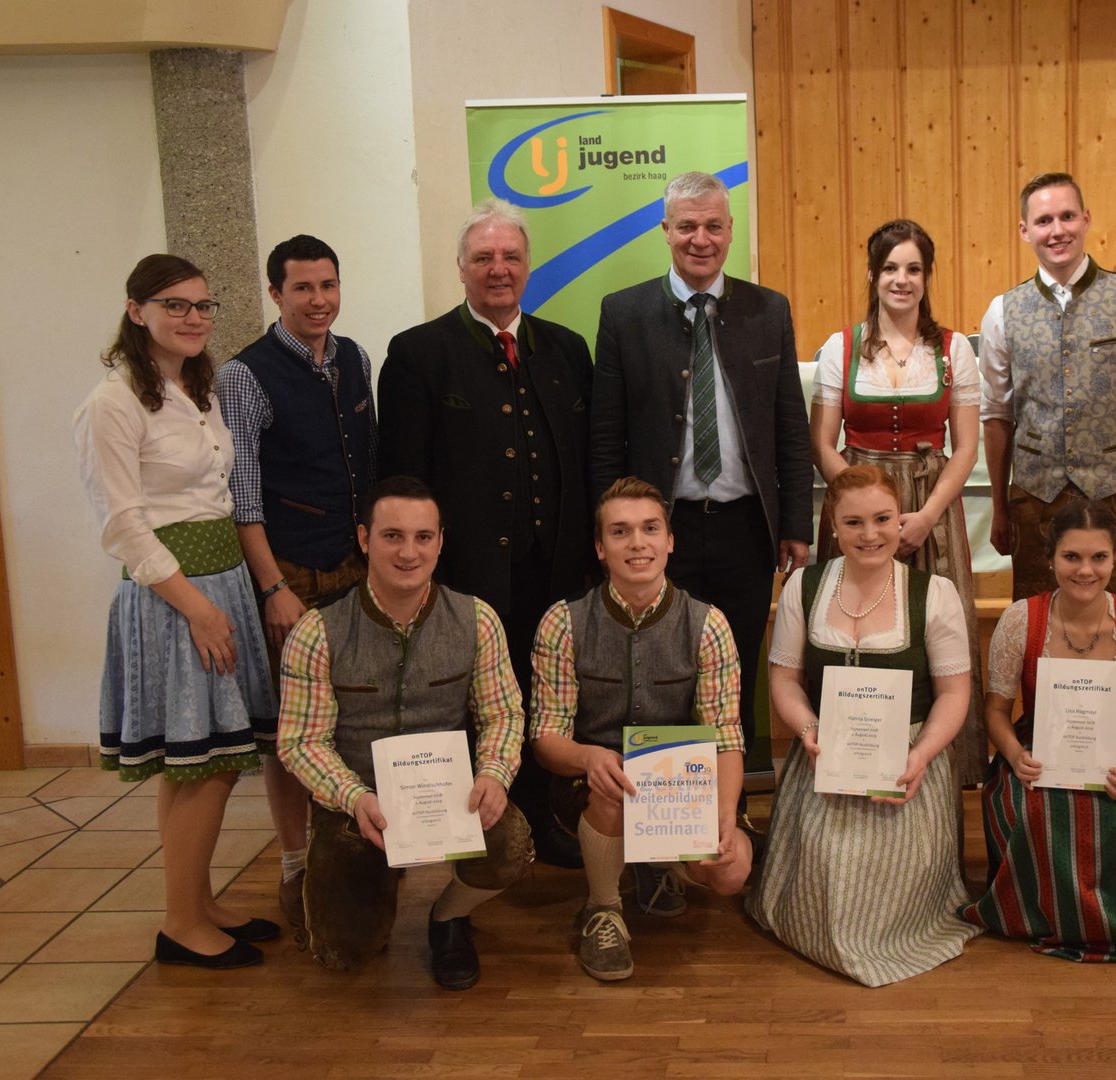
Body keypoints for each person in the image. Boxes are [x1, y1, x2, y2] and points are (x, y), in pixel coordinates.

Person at [74, 254, 278, 969]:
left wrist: (226, 597)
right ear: (137, 311)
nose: (194, 318)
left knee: (205, 763)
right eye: (175, 305)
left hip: (221, 582)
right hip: (176, 596)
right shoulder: (112, 402)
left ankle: (196, 901)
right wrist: (196, 607)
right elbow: (124, 525)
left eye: (203, 305)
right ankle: (182, 925)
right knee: (199, 765)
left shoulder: (196, 387)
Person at [379, 198, 594, 867]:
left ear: (528, 265)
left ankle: (538, 818)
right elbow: (402, 479)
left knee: (544, 696)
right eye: (483, 258)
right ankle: (475, 835)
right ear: (461, 267)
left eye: (510, 256)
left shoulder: (567, 348)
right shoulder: (418, 354)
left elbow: (588, 461)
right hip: (466, 574)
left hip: (555, 570)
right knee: (476, 704)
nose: (498, 269)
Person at [590, 170, 813, 775]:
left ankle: (729, 808)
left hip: (746, 528)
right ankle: (666, 810)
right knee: (663, 671)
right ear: (665, 230)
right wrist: (610, 532)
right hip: (661, 531)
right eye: (687, 226)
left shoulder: (769, 309)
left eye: (714, 225)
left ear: (730, 230)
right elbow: (605, 436)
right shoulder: (623, 313)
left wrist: (796, 522)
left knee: (735, 671)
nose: (701, 238)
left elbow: (790, 426)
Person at [276, 476, 533, 990]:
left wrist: (494, 775)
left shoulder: (477, 620)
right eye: (392, 536)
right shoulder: (317, 630)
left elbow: (503, 715)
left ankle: (449, 915)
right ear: (364, 538)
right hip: (357, 805)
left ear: (440, 542)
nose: (409, 552)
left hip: (448, 799)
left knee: (512, 847)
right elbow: (300, 742)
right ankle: (353, 880)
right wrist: (354, 798)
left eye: (423, 537)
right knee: (343, 952)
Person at [747, 465, 978, 986]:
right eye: (854, 522)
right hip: (824, 753)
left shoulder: (934, 593)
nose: (870, 534)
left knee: (877, 881)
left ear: (900, 520)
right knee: (829, 867)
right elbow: (784, 680)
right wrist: (808, 731)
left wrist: (920, 756)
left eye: (882, 519)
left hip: (908, 759)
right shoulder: (804, 586)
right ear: (833, 524)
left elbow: (954, 694)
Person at [530, 477, 753, 982]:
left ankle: (656, 867)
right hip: (590, 781)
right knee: (613, 791)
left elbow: (725, 737)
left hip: (681, 786)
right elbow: (545, 738)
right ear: (600, 548)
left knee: (731, 872)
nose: (637, 543)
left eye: (651, 529)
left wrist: (723, 816)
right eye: (620, 531)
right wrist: (588, 757)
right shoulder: (563, 622)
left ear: (670, 540)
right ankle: (603, 909)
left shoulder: (708, 623)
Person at [217, 234, 377, 929]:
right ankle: (293, 862)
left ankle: (349, 850)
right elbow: (243, 498)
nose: (319, 300)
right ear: (275, 294)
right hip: (291, 577)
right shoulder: (244, 376)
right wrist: (272, 589)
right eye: (303, 288)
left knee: (353, 716)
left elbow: (367, 463)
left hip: (354, 570)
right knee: (294, 728)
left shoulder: (355, 358)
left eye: (328, 285)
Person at [959, 497, 1116, 962]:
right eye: (1071, 556)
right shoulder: (1021, 619)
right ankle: (1039, 916)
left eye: (1099, 557)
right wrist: (1014, 755)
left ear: (1115, 558)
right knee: (1032, 806)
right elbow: (996, 711)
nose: (1085, 570)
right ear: (1051, 558)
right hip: (1036, 744)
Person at [809, 219, 985, 785]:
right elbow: (821, 442)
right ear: (872, 273)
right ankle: (848, 762)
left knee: (937, 635)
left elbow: (966, 448)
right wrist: (863, 513)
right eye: (890, 268)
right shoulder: (840, 348)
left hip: (928, 506)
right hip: (856, 501)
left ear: (927, 276)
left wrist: (927, 515)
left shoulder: (953, 349)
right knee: (853, 627)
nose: (901, 279)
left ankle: (936, 771)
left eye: (913, 268)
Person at [978, 171, 1116, 622]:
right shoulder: (1003, 311)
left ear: (1086, 219)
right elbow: (997, 415)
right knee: (1041, 632)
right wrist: (1000, 508)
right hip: (1035, 503)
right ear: (1025, 231)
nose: (1057, 230)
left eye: (1067, 216)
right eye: (1044, 221)